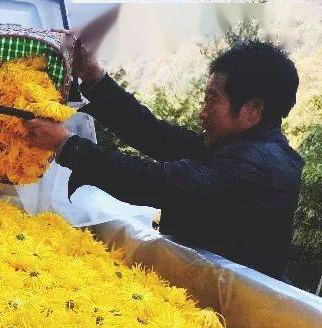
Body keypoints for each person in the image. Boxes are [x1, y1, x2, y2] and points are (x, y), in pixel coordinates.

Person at [25, 35, 304, 279]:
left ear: (252, 109)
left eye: (212, 99)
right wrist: (94, 77)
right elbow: (157, 136)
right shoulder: (236, 145)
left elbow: (156, 183)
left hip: (232, 318)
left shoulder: (260, 166)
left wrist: (67, 145)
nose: (203, 112)